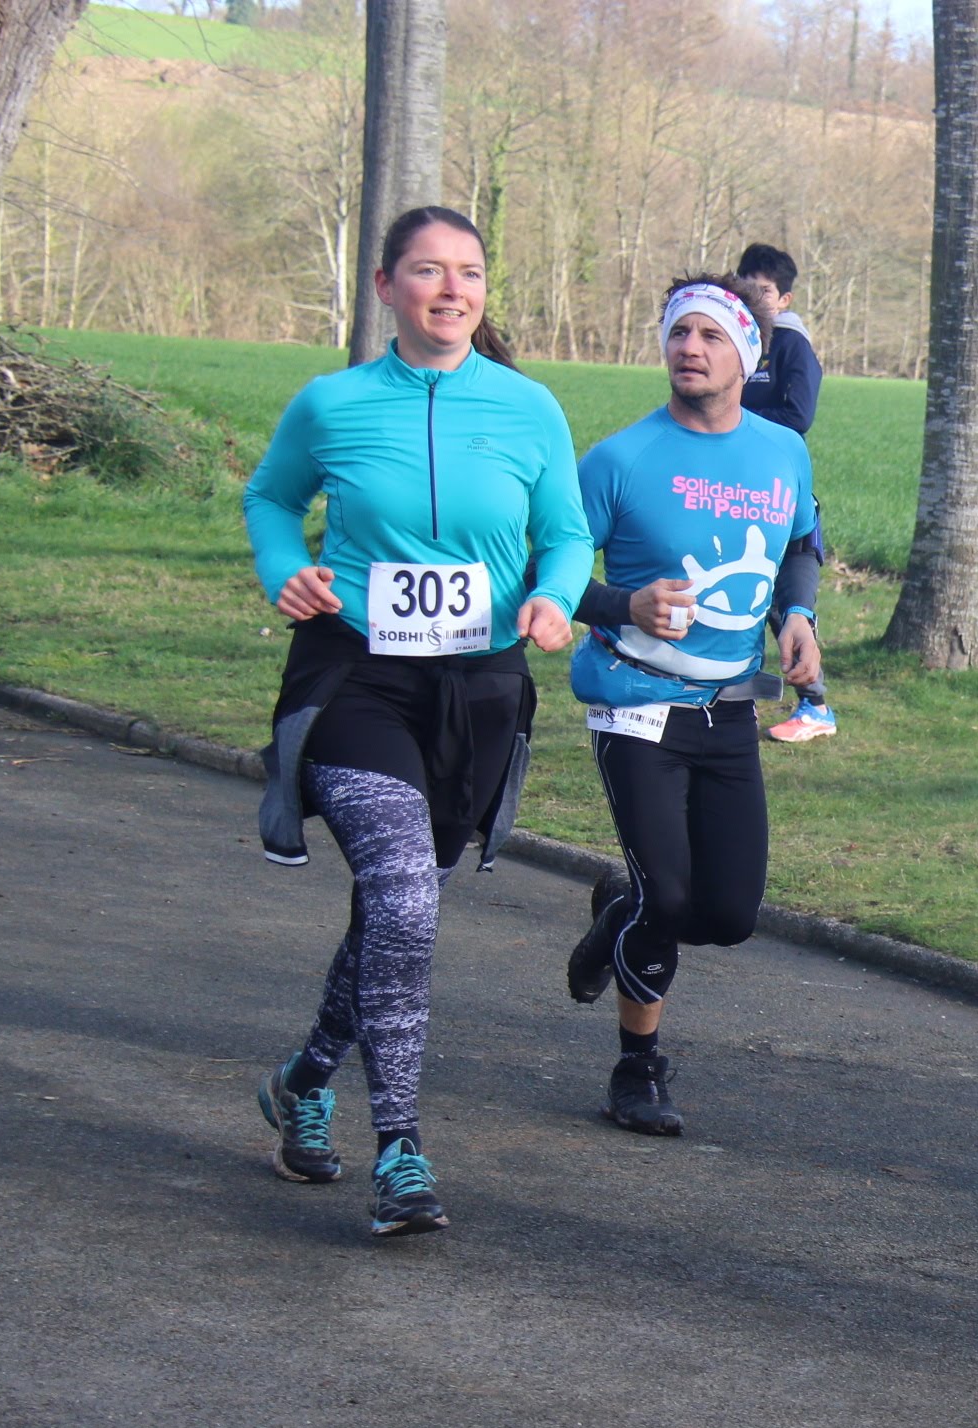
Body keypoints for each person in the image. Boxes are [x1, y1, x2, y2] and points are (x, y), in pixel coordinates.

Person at [247, 206, 590, 1237]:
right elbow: (271, 500)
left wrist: (553, 598)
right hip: (357, 678)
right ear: (387, 285)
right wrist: (286, 570)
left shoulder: (528, 408)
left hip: (477, 694)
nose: (452, 290)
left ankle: (305, 1080)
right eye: (429, 271)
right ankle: (399, 1147)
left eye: (469, 273)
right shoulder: (334, 403)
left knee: (398, 910)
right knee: (401, 890)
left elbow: (567, 535)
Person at [562, 276, 820, 1135]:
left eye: (711, 336)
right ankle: (636, 1071)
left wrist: (799, 615)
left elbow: (800, 542)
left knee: (730, 915)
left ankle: (618, 910)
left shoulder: (782, 451)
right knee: (668, 899)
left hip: (730, 708)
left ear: (746, 356)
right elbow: (549, 572)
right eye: (679, 333)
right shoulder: (620, 460)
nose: (690, 348)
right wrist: (621, 605)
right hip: (635, 702)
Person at [733, 241, 835, 743]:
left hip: (774, 486)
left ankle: (815, 706)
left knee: (782, 601)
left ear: (785, 300)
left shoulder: (791, 344)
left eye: (765, 292)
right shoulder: (736, 341)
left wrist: (736, 419)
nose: (755, 298)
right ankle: (735, 697)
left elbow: (799, 416)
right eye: (746, 288)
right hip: (728, 482)